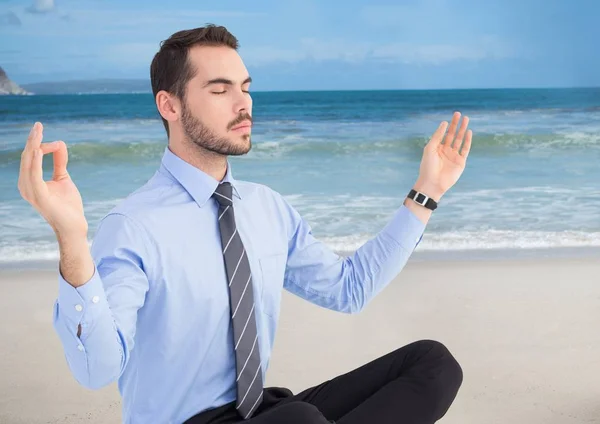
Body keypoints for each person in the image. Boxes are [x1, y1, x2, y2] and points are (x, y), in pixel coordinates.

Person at [17, 24, 472, 424]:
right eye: (220, 90)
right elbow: (97, 368)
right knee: (300, 419)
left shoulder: (266, 208)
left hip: (265, 411)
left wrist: (425, 193)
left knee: (433, 365)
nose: (243, 103)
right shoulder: (134, 226)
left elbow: (348, 290)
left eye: (245, 87)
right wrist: (72, 239)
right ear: (170, 106)